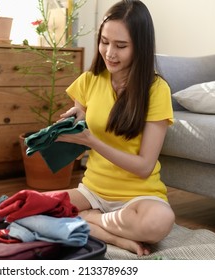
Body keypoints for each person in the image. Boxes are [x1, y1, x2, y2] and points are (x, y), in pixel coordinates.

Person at [56, 0, 175, 256]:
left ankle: (90, 221)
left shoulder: (156, 90)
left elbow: (144, 167)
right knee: (25, 206)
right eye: (105, 42)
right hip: (92, 191)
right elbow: (86, 129)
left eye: (121, 46)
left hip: (139, 197)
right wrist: (74, 125)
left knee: (159, 222)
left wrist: (91, 141)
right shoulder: (89, 81)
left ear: (140, 48)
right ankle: (116, 238)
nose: (109, 53)